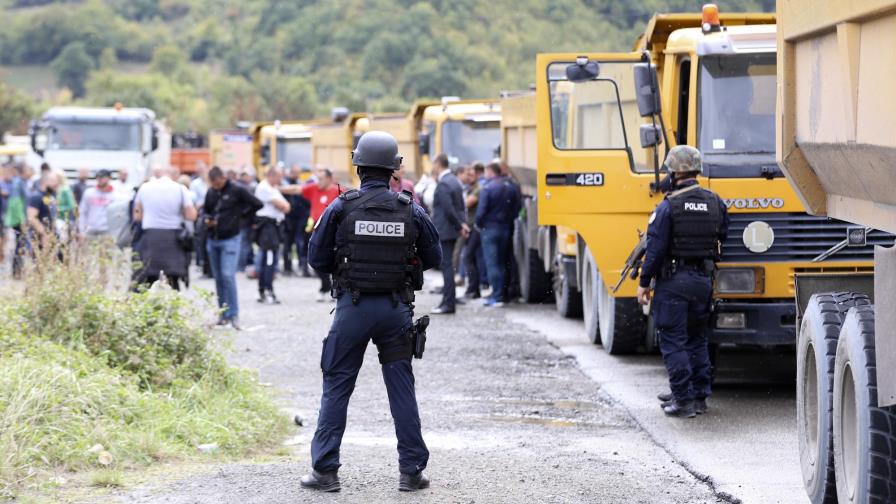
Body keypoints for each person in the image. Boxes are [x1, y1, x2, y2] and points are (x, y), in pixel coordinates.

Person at [301, 131, 440, 493]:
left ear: (358, 166)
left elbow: (316, 258)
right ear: (395, 168)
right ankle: (411, 472)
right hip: (395, 310)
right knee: (401, 389)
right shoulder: (410, 208)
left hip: (352, 308)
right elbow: (434, 256)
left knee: (337, 386)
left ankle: (325, 471)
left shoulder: (341, 207)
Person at [636, 145, 729, 418]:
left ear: (674, 172)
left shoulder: (668, 207)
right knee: (697, 339)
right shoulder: (715, 202)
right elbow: (723, 233)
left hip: (674, 282)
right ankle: (698, 396)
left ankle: (683, 400)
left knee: (673, 340)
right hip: (703, 281)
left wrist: (644, 282)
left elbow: (655, 250)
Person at [204, 166, 262, 329]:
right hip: (213, 239)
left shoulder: (237, 190)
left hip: (230, 238)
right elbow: (206, 210)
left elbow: (257, 204)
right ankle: (223, 314)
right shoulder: (211, 192)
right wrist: (207, 219)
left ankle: (234, 314)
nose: (215, 186)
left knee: (228, 275)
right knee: (218, 278)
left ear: (223, 178)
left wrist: (240, 217)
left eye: (217, 183)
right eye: (213, 184)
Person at [132, 166, 197, 290]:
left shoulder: (144, 187)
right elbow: (191, 215)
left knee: (147, 280)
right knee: (172, 281)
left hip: (150, 238)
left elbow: (137, 216)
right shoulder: (180, 189)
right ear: (175, 175)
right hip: (173, 239)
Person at [476, 162, 522, 307]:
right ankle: (503, 294)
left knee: (492, 263)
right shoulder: (511, 187)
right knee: (502, 262)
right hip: (506, 228)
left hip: (490, 228)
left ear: (490, 172)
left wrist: (479, 224)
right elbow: (517, 207)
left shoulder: (487, 188)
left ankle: (497, 296)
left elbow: (481, 211)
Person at [430, 154, 468, 315]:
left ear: (438, 164)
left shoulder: (444, 183)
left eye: (433, 163)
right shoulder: (454, 181)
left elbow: (448, 209)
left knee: (446, 267)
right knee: (448, 266)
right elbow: (460, 207)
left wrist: (459, 225)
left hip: (445, 230)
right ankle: (446, 301)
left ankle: (448, 303)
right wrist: (461, 224)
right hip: (451, 230)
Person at [302, 167, 341, 301]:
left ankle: (331, 287)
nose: (318, 182)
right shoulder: (314, 188)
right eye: (317, 179)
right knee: (315, 259)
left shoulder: (337, 191)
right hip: (315, 229)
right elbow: (297, 189)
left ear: (329, 178)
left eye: (321, 179)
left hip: (333, 230)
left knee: (334, 259)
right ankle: (326, 286)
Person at [254, 166, 290, 304]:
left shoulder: (273, 188)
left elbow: (286, 207)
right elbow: (284, 207)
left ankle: (263, 290)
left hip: (274, 227)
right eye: (279, 176)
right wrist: (283, 206)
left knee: (270, 260)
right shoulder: (264, 188)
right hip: (267, 227)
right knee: (269, 261)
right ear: (271, 175)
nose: (281, 179)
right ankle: (267, 290)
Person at [282, 165, 312, 277]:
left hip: (300, 219)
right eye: (295, 172)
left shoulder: (300, 184)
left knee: (300, 243)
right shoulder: (284, 185)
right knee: (287, 245)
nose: (297, 174)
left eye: (298, 172)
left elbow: (305, 202)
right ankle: (287, 268)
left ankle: (301, 267)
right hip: (288, 219)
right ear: (290, 172)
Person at [462, 164, 485, 299]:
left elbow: (466, 203)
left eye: (471, 175)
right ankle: (474, 289)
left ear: (477, 175)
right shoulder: (471, 188)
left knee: (467, 257)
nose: (468, 178)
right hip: (470, 227)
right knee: (471, 258)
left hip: (475, 227)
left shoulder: (478, 189)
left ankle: (473, 288)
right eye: (467, 175)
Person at [77, 169, 117, 240]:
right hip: (90, 230)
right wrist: (82, 231)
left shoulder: (114, 195)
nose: (99, 179)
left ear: (109, 178)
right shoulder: (89, 193)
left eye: (102, 177)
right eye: (98, 177)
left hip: (106, 231)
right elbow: (82, 212)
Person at [27, 170, 60, 251]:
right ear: (45, 181)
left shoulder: (50, 196)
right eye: (54, 181)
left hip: (52, 236)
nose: (56, 184)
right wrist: (44, 234)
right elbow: (31, 217)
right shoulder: (36, 196)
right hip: (41, 240)